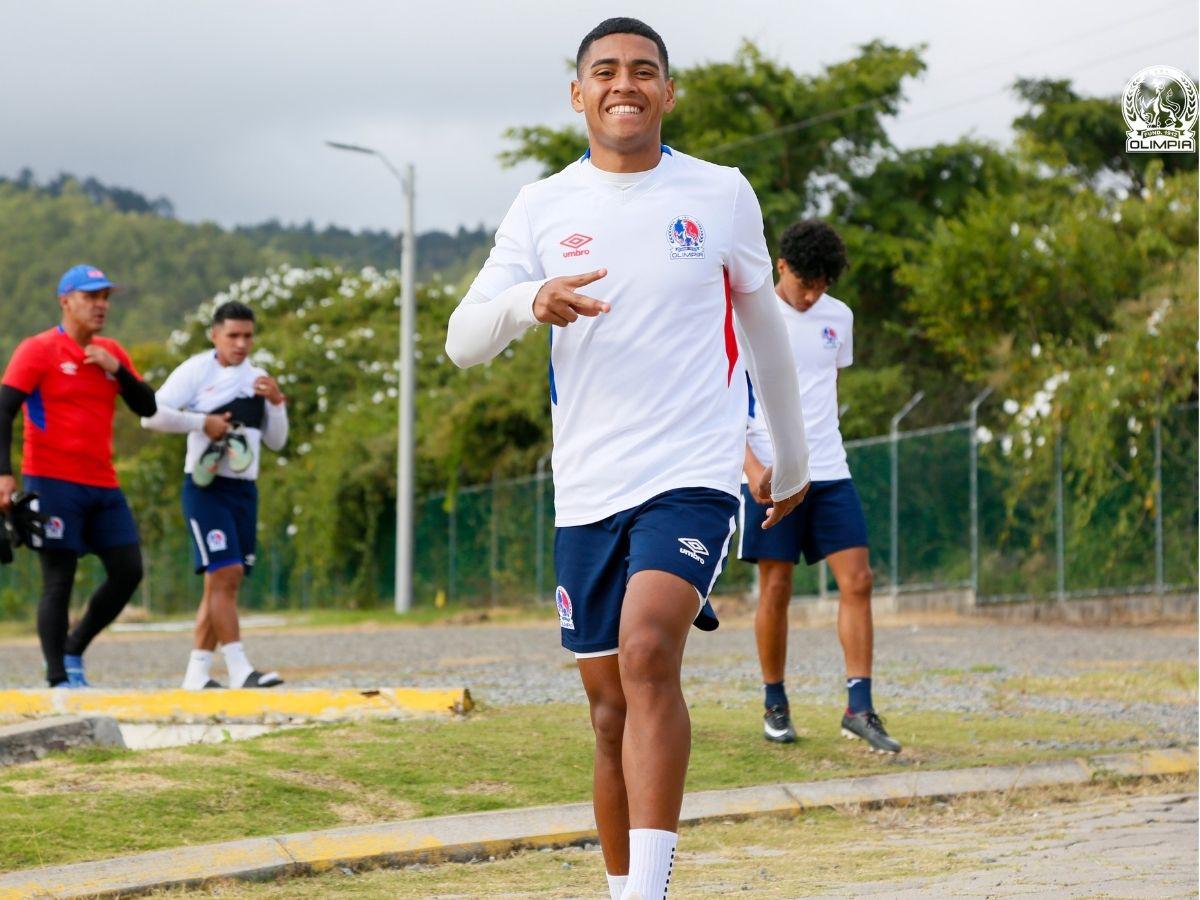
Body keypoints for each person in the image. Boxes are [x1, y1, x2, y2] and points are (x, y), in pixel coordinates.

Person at [445, 18, 810, 900]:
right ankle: (621, 889)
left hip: (690, 476)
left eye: (644, 71)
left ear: (668, 92)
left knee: (649, 650)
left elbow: (763, 327)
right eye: (604, 71)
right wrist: (531, 299)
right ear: (578, 94)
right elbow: (462, 341)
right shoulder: (542, 207)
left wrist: (788, 457)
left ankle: (650, 895)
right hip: (587, 492)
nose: (625, 84)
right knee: (608, 713)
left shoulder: (720, 193)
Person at [740, 220, 901, 754]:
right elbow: (722, 395)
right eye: (805, 283)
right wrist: (750, 469)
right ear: (781, 268)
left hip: (830, 470)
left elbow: (825, 387)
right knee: (777, 588)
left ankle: (859, 707)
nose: (813, 295)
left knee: (858, 581)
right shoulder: (750, 313)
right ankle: (774, 701)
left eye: (823, 285)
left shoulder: (839, 317)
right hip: (770, 472)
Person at [0, 264, 157, 687]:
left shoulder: (111, 352)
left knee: (128, 570)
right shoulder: (38, 349)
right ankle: (58, 678)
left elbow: (148, 407)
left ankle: (74, 648)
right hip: (50, 479)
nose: (101, 305)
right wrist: (3, 476)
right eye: (91, 297)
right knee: (59, 579)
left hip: (103, 483)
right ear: (65, 301)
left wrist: (117, 370)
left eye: (105, 297)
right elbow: (3, 411)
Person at [141, 301, 288, 689]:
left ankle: (197, 672)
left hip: (244, 490)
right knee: (226, 572)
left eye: (248, 336)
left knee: (220, 581)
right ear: (215, 335)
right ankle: (240, 669)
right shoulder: (196, 370)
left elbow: (277, 441)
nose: (241, 344)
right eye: (233, 335)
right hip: (205, 489)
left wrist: (276, 404)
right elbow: (151, 414)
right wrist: (200, 422)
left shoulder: (259, 379)